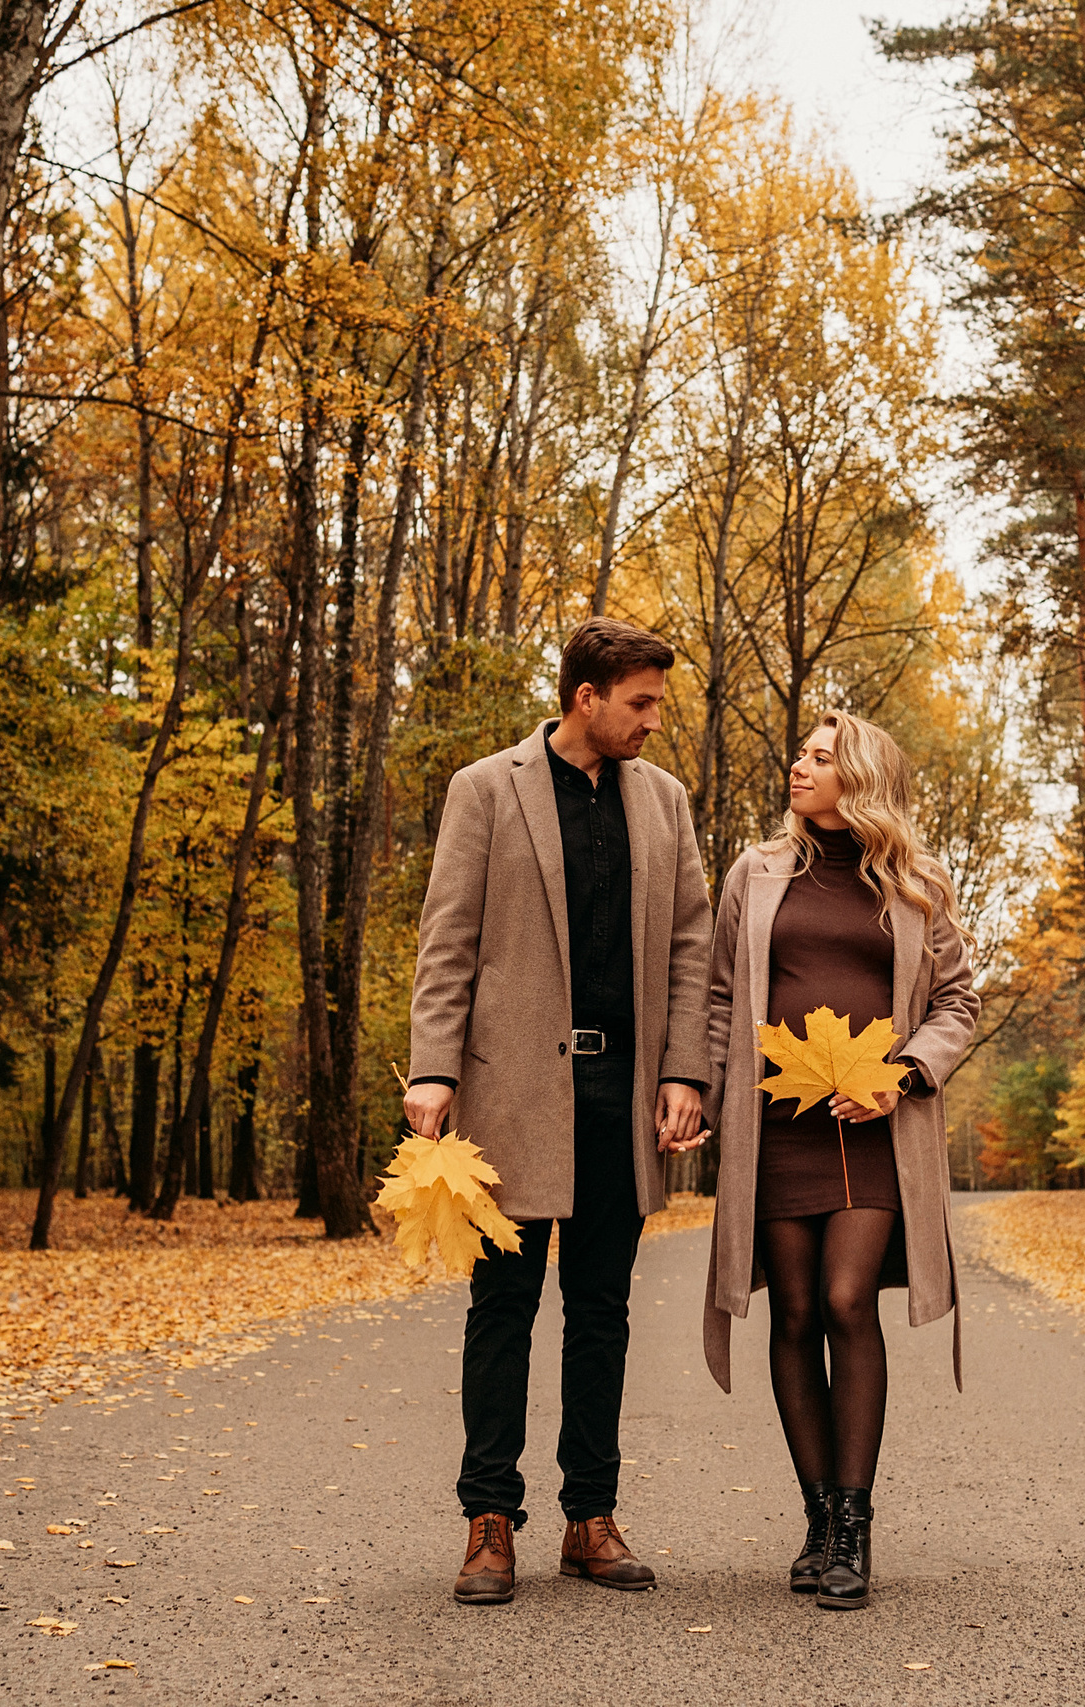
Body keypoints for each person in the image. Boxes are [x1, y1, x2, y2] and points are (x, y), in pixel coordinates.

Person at [404, 617, 714, 1607]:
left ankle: (591, 1518)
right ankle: (488, 1520)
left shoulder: (664, 802)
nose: (653, 721)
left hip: (621, 1096)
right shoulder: (486, 789)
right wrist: (433, 1069)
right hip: (509, 1094)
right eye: (640, 703)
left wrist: (685, 1072)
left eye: (656, 703)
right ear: (586, 696)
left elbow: (692, 949)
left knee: (603, 1312)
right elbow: (447, 940)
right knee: (501, 1310)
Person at [700, 710, 981, 1611]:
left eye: (820, 758)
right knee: (790, 1314)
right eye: (801, 754)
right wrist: (694, 1093)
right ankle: (818, 1516)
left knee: (845, 1298)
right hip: (778, 1124)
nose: (799, 765)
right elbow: (715, 995)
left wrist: (900, 1076)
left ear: (857, 776)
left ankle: (855, 1521)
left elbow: (956, 1005)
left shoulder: (917, 882)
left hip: (874, 1126)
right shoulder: (755, 871)